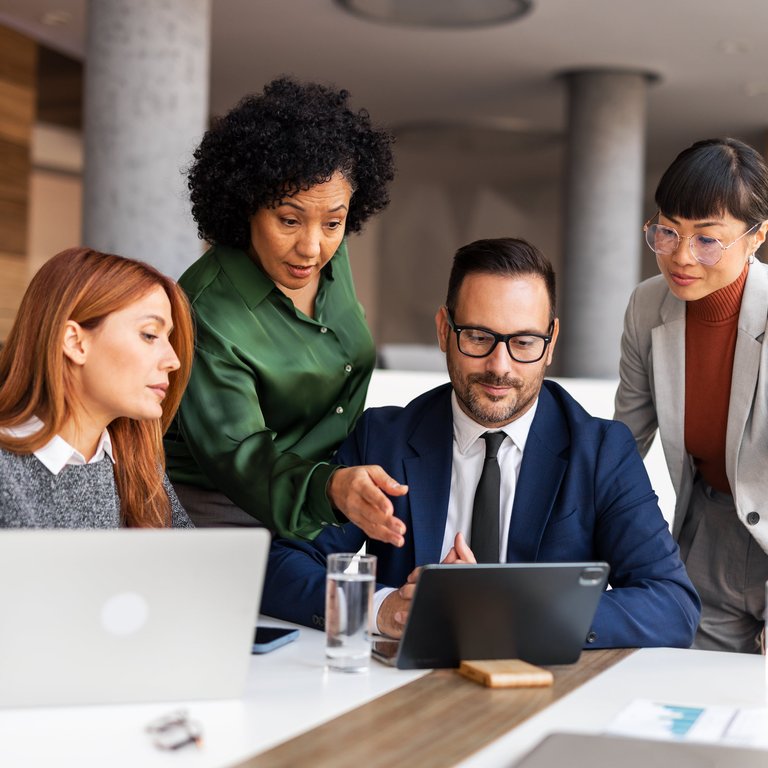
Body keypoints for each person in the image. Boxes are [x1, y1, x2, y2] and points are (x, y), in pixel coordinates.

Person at [262, 238, 700, 648]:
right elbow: (283, 567)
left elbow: (671, 604)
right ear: (443, 330)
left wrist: (510, 613)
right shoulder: (384, 438)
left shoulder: (602, 451)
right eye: (478, 337)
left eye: (524, 342)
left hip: (539, 690)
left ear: (550, 344)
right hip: (399, 689)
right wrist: (382, 609)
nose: (499, 366)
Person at [164, 77, 405, 546]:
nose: (311, 248)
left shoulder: (331, 255)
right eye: (289, 220)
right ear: (246, 206)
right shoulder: (204, 309)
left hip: (327, 498)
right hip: (224, 511)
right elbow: (242, 457)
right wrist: (329, 487)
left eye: (333, 222)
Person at [615, 137, 768, 653]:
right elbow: (622, 445)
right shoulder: (647, 305)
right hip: (706, 531)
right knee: (698, 698)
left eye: (707, 240)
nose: (681, 257)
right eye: (667, 231)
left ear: (757, 237)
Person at [0, 247, 194, 528]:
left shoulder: (139, 466)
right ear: (75, 342)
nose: (173, 361)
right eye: (150, 335)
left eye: (168, 338)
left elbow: (188, 565)